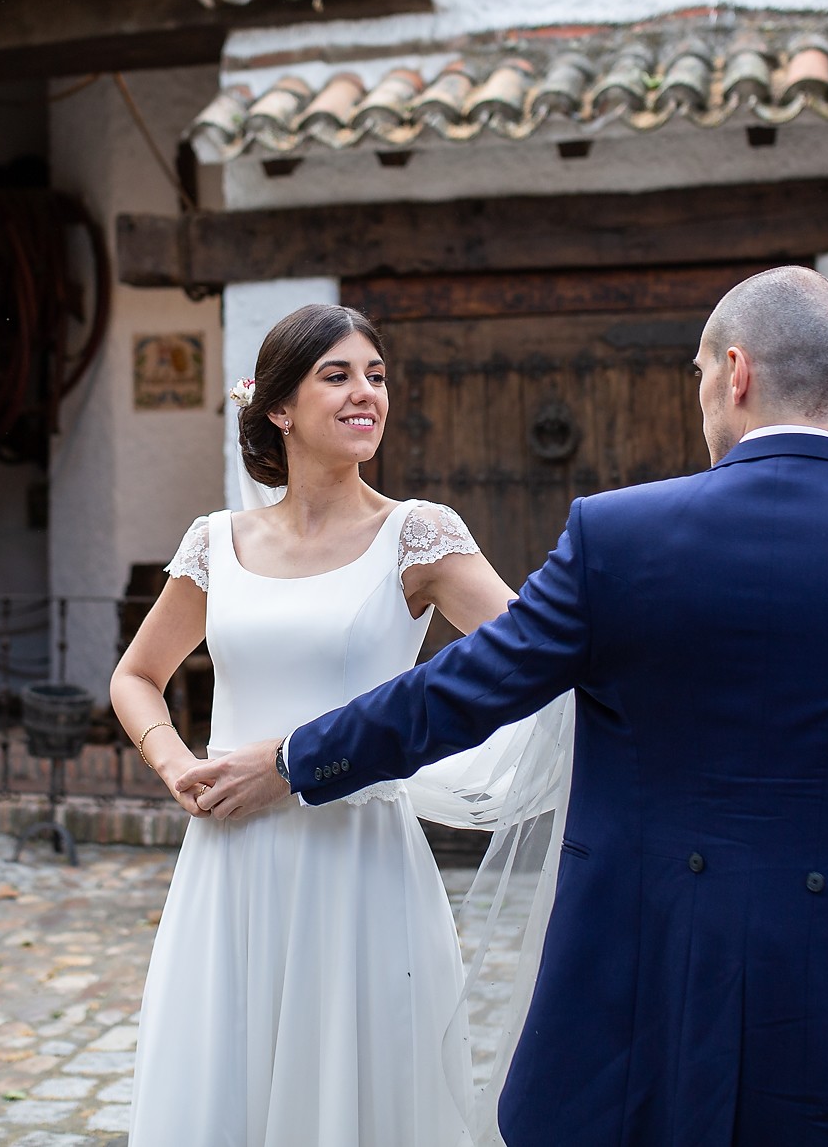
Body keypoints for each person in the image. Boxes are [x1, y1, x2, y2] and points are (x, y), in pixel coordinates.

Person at [185, 267, 828, 1147]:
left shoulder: (617, 535)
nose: (702, 392)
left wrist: (294, 760)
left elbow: (456, 694)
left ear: (735, 373)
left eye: (702, 372)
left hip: (648, 998)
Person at [110, 302, 545, 1147]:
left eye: (376, 376)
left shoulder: (416, 536)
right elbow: (136, 674)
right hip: (230, 866)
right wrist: (173, 765)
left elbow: (534, 655)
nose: (366, 394)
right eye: (337, 375)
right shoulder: (216, 543)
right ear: (278, 406)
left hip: (358, 865)